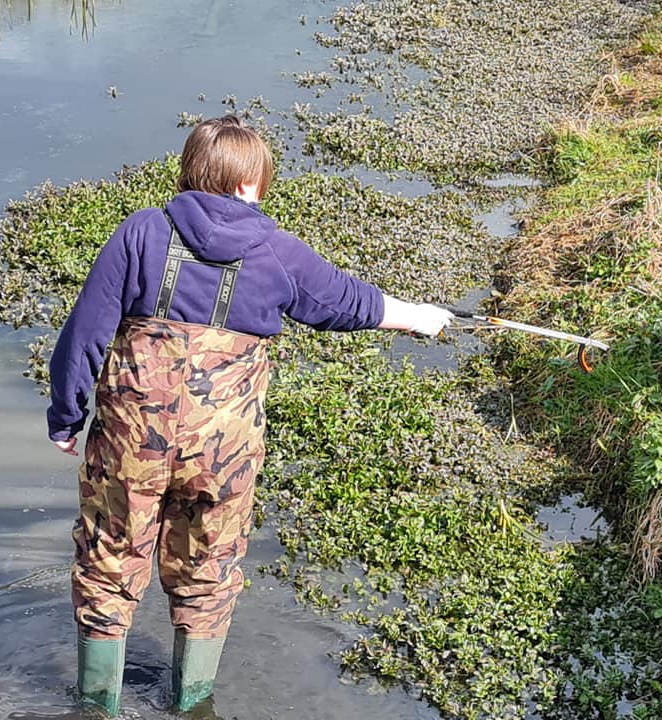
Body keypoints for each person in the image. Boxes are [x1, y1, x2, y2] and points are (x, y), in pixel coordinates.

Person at [47, 115, 453, 716]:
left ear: (192, 173)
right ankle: (191, 704)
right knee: (209, 566)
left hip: (131, 445)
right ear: (246, 185)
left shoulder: (141, 233)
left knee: (109, 558)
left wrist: (66, 416)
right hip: (223, 451)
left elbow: (84, 335)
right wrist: (418, 315)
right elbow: (343, 302)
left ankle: (96, 707)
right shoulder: (277, 252)